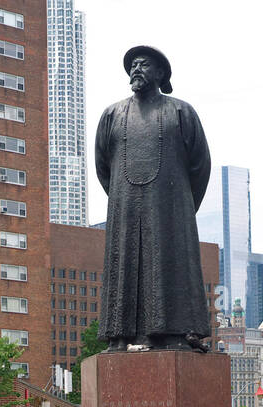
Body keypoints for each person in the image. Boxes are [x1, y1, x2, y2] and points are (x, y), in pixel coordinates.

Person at [95, 46, 212, 352]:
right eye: (133, 65)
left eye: (144, 64)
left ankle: (175, 333)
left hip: (172, 208)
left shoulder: (181, 112)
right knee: (125, 267)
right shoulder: (112, 115)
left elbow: (201, 165)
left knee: (170, 264)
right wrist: (123, 197)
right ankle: (121, 336)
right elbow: (102, 166)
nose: (137, 69)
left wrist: (182, 205)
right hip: (125, 207)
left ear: (161, 73)